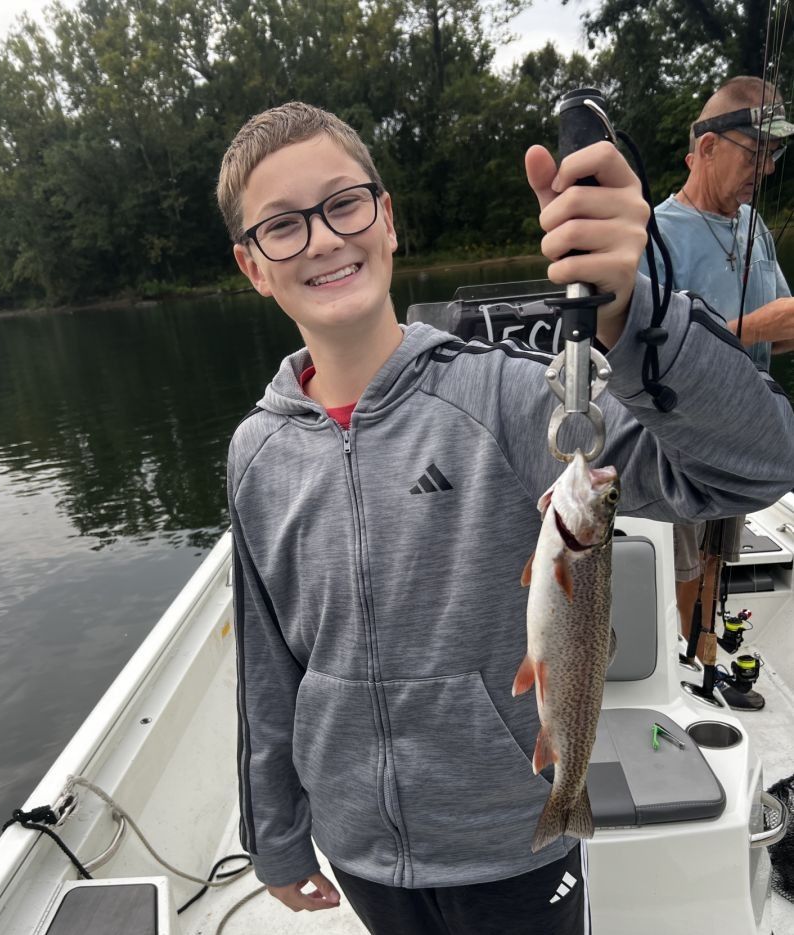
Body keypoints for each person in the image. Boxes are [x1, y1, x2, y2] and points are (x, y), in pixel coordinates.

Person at [216, 101, 794, 934]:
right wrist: (275, 835)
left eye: (344, 204)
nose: (322, 238)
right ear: (252, 265)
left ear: (387, 219)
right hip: (361, 850)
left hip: (515, 839)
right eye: (282, 225)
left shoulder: (512, 397)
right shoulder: (256, 451)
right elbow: (266, 665)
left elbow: (758, 465)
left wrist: (635, 316)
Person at [640, 76, 794, 710]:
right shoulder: (655, 234)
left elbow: (775, 329)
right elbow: (646, 352)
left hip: (743, 427)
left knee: (717, 557)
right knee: (680, 560)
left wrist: (774, 328)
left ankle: (702, 660)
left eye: (774, 155)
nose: (766, 169)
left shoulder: (754, 225)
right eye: (754, 153)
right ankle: (678, 673)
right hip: (679, 436)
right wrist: (753, 327)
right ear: (705, 147)